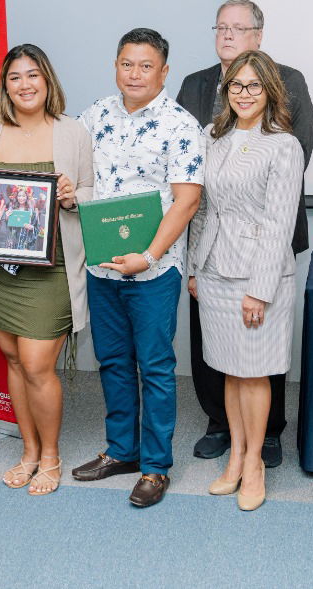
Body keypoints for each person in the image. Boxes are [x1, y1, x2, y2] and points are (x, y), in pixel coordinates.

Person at [177, 0, 313, 467]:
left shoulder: (287, 106)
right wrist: (195, 264)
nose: (228, 35)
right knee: (221, 357)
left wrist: (260, 281)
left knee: (258, 362)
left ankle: (264, 441)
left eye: (239, 28)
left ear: (259, 37)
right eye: (221, 27)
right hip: (214, 257)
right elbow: (195, 191)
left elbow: (286, 183)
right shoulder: (203, 112)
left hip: (263, 254)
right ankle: (227, 435)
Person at [70, 28, 203, 508]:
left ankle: (154, 467)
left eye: (146, 66)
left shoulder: (181, 125)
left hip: (152, 270)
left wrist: (146, 257)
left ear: (164, 72)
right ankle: (121, 450)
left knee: (155, 366)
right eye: (127, 64)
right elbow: (61, 150)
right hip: (103, 267)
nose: (135, 74)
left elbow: (186, 201)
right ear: (116, 66)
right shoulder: (95, 115)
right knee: (113, 362)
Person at [0, 43, 93, 496]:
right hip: (0, 270)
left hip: (52, 267)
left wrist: (75, 195)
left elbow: (92, 190)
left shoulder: (73, 133)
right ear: (5, 85)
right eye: (15, 77)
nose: (25, 85)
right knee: (15, 360)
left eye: (33, 75)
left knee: (38, 363)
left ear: (47, 80)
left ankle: (51, 456)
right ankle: (29, 451)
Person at [186, 50, 303, 512]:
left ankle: (254, 463)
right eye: (236, 85)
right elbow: (202, 207)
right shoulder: (214, 137)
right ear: (225, 90)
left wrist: (260, 288)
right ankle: (234, 457)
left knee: (254, 375)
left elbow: (279, 222)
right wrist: (196, 266)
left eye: (254, 85)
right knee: (230, 372)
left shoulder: (283, 145)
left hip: (258, 274)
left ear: (270, 90)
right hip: (214, 268)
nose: (244, 93)